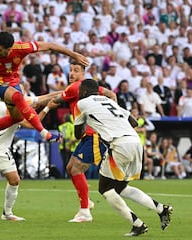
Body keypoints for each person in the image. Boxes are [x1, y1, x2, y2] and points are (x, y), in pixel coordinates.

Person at [74, 79, 173, 236]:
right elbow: (133, 122)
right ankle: (161, 209)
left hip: (119, 144)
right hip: (135, 141)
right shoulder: (108, 101)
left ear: (84, 91)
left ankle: (137, 224)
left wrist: (93, 125)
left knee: (105, 188)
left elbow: (78, 134)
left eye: (80, 91)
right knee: (121, 187)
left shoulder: (81, 103)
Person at [0, 31, 89, 151]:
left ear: (9, 49)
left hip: (13, 85)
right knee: (18, 97)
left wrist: (74, 55)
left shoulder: (21, 48)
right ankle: (45, 133)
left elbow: (50, 45)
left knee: (16, 117)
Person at [0, 91, 59, 222]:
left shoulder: (19, 106)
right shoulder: (5, 106)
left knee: (14, 181)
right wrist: (52, 104)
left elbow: (37, 112)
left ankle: (7, 213)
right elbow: (33, 116)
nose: (22, 94)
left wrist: (53, 103)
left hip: (2, 148)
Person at [52, 61, 116, 222]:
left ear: (83, 74)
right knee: (70, 167)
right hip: (87, 136)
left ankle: (85, 211)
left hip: (94, 135)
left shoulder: (75, 87)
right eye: (70, 70)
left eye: (76, 71)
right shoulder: (86, 88)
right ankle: (87, 202)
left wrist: (40, 109)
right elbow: (112, 95)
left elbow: (54, 100)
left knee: (76, 169)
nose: (71, 74)